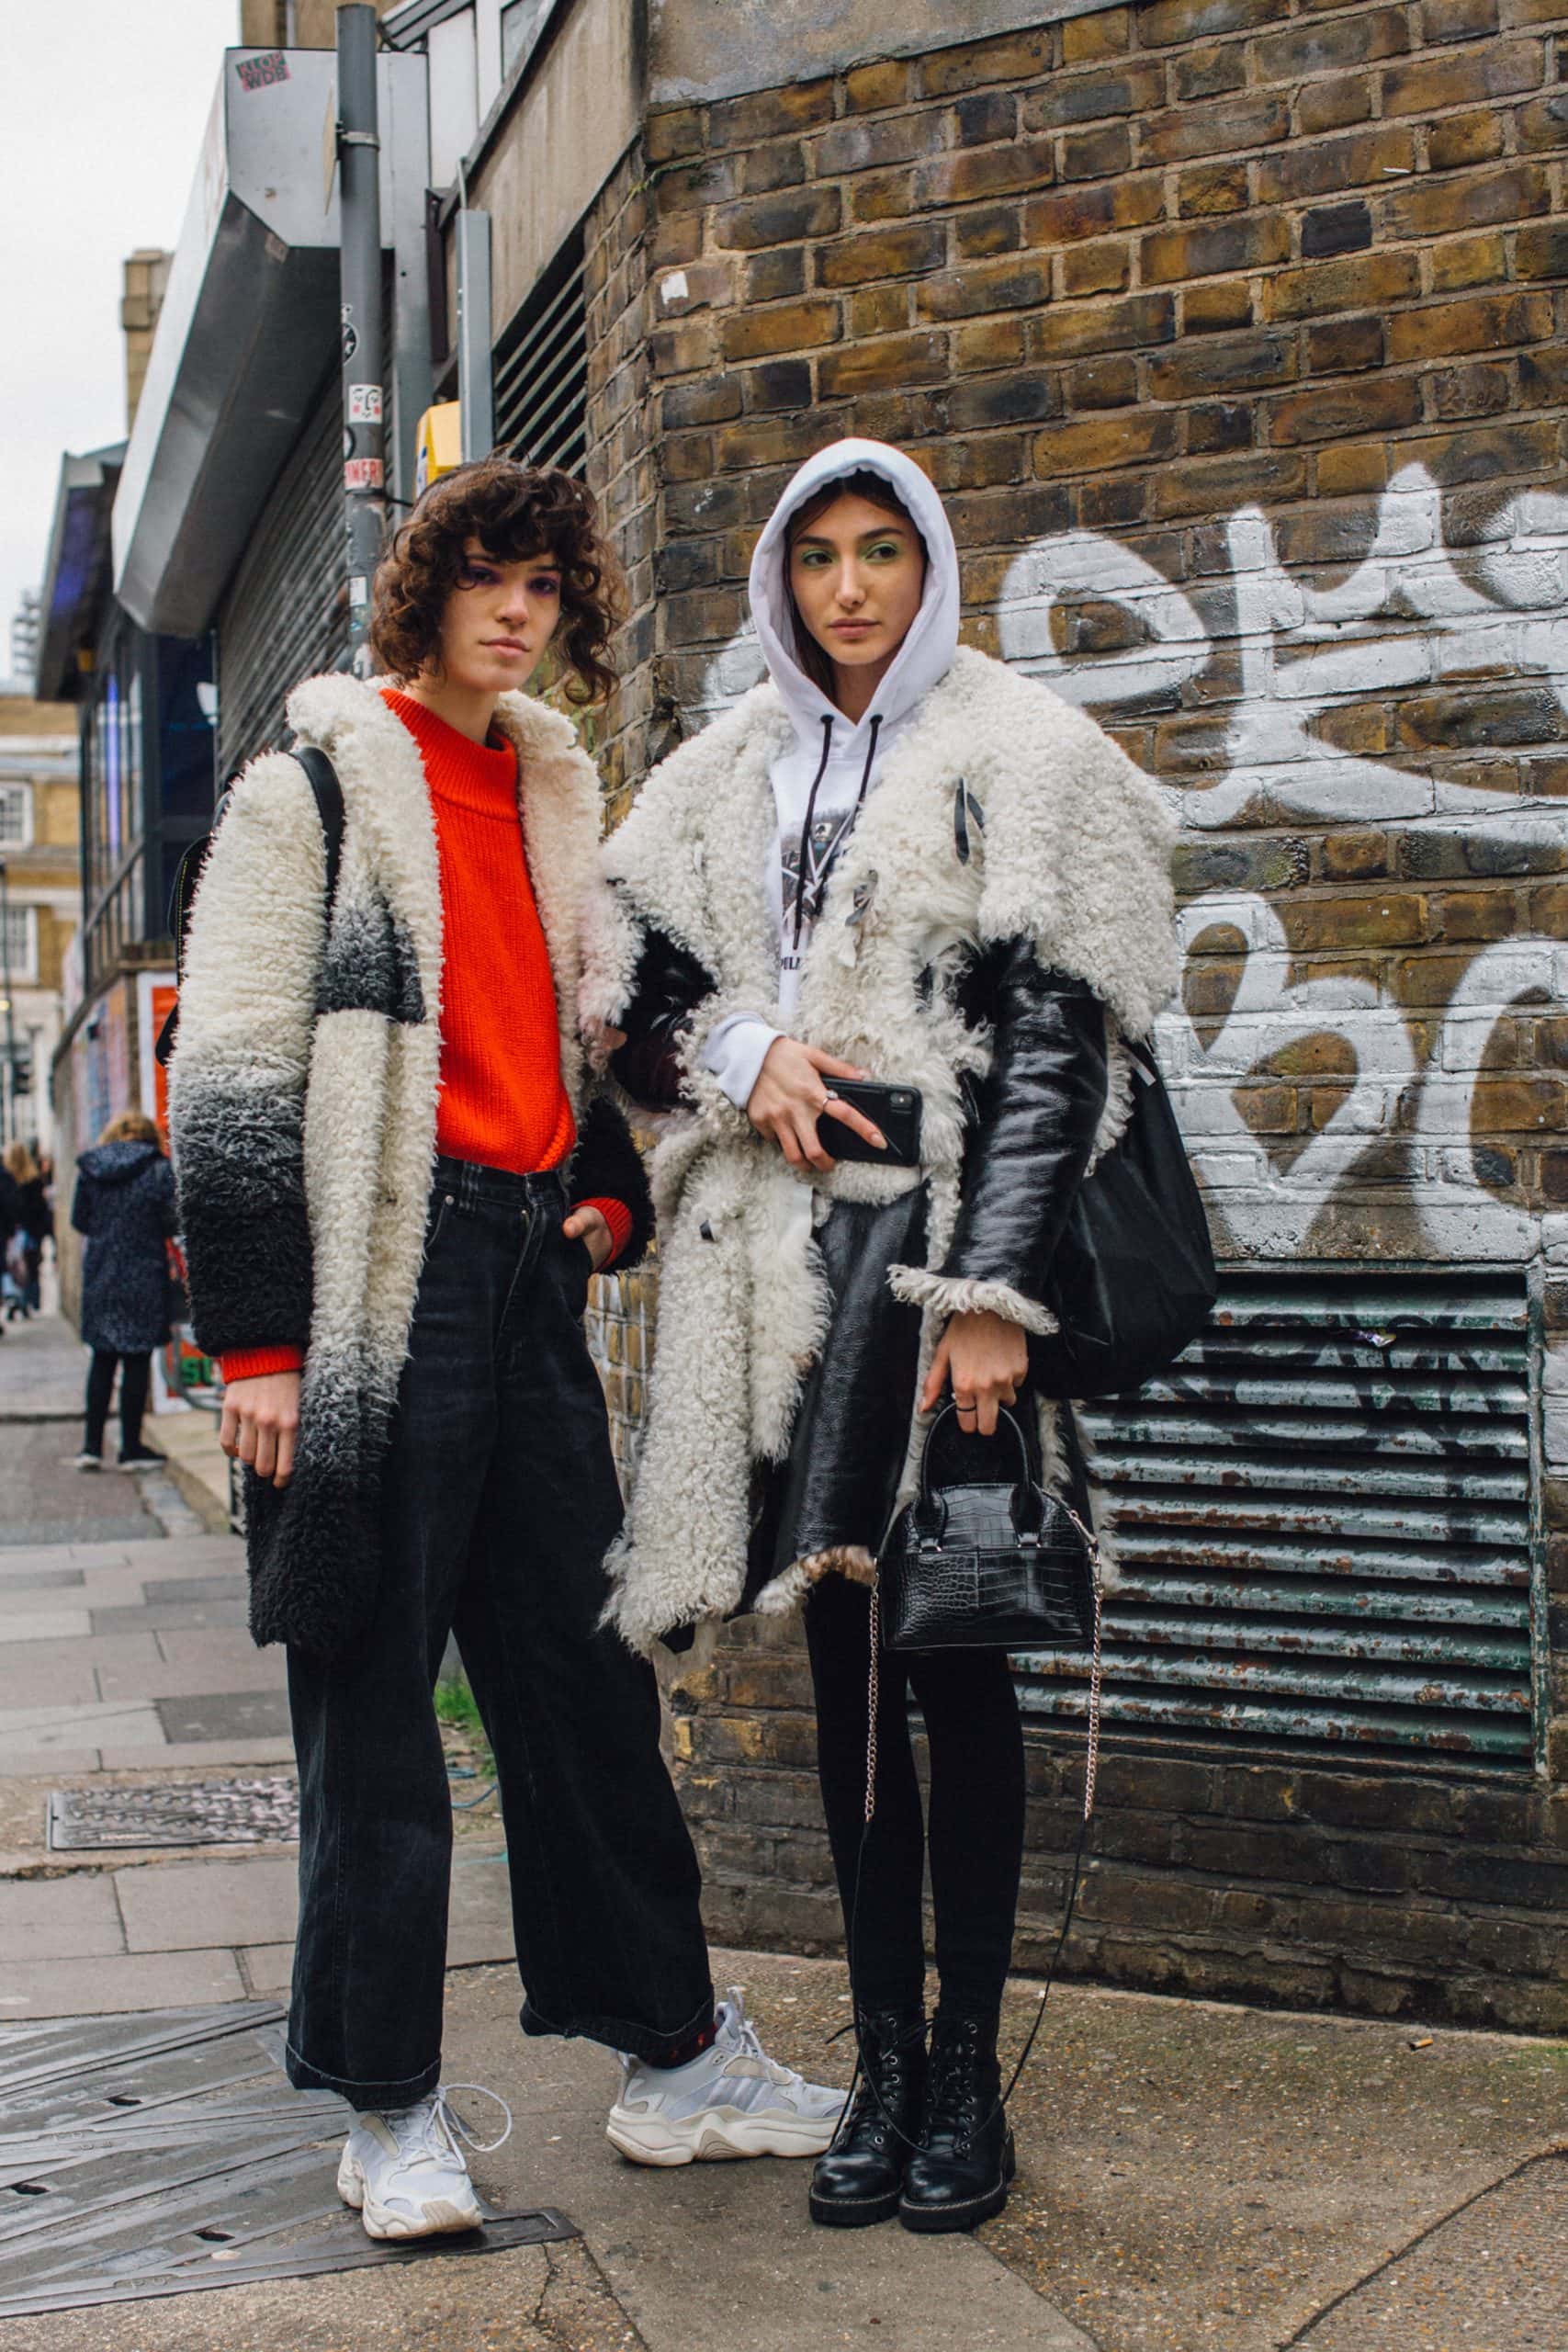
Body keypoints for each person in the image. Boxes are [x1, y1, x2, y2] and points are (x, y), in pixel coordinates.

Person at [167, 456, 840, 2245]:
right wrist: (256, 1343)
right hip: (368, 1294)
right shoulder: (314, 790)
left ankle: (673, 2057)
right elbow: (227, 1076)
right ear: (426, 587)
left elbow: (590, 1030)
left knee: (580, 1683)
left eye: (546, 583)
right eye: (488, 573)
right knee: (375, 1702)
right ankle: (388, 2108)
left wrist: (607, 1197)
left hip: (522, 1272)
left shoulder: (548, 790)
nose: (518, 609)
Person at [586, 438, 1178, 2234]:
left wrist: (992, 1297)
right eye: (819, 554)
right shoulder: (723, 773)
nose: (848, 586)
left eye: (881, 550)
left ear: (929, 565)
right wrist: (739, 1050)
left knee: (958, 1654)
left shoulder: (1020, 753)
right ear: (784, 574)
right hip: (782, 1271)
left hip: (943, 1259)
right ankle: (884, 2063)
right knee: (843, 1676)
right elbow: (629, 986)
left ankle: (967, 2071)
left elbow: (1059, 1047)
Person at [70, 1113, 177, 1470]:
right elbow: (172, 1221)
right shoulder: (158, 1170)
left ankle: (91, 1447)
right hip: (143, 1272)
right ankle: (131, 1448)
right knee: (136, 1360)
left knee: (102, 1359)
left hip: (101, 1272)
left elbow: (79, 1220)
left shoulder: (91, 1169)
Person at [5, 1140, 52, 1317]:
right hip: (31, 1230)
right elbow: (41, 1208)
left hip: (16, 1230)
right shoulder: (34, 1180)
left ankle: (16, 1300)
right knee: (31, 1265)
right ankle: (29, 1301)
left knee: (14, 1266)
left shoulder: (7, 1180)